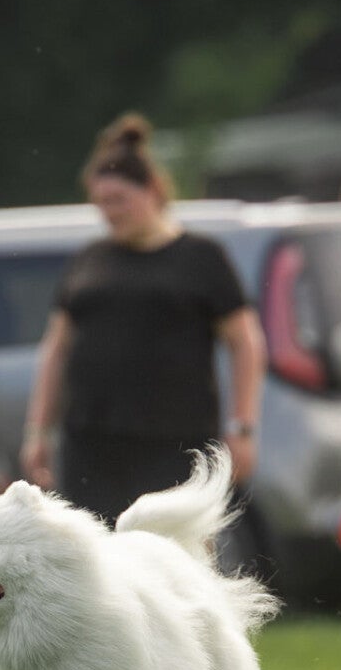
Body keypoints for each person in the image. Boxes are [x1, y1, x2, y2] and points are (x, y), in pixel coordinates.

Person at [18, 112, 265, 526]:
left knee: (174, 550)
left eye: (118, 201)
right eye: (101, 204)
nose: (109, 213)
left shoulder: (200, 257)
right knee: (98, 553)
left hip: (175, 442)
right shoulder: (89, 260)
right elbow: (56, 349)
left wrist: (242, 427)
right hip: (91, 442)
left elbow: (245, 343)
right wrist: (38, 431)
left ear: (151, 190)